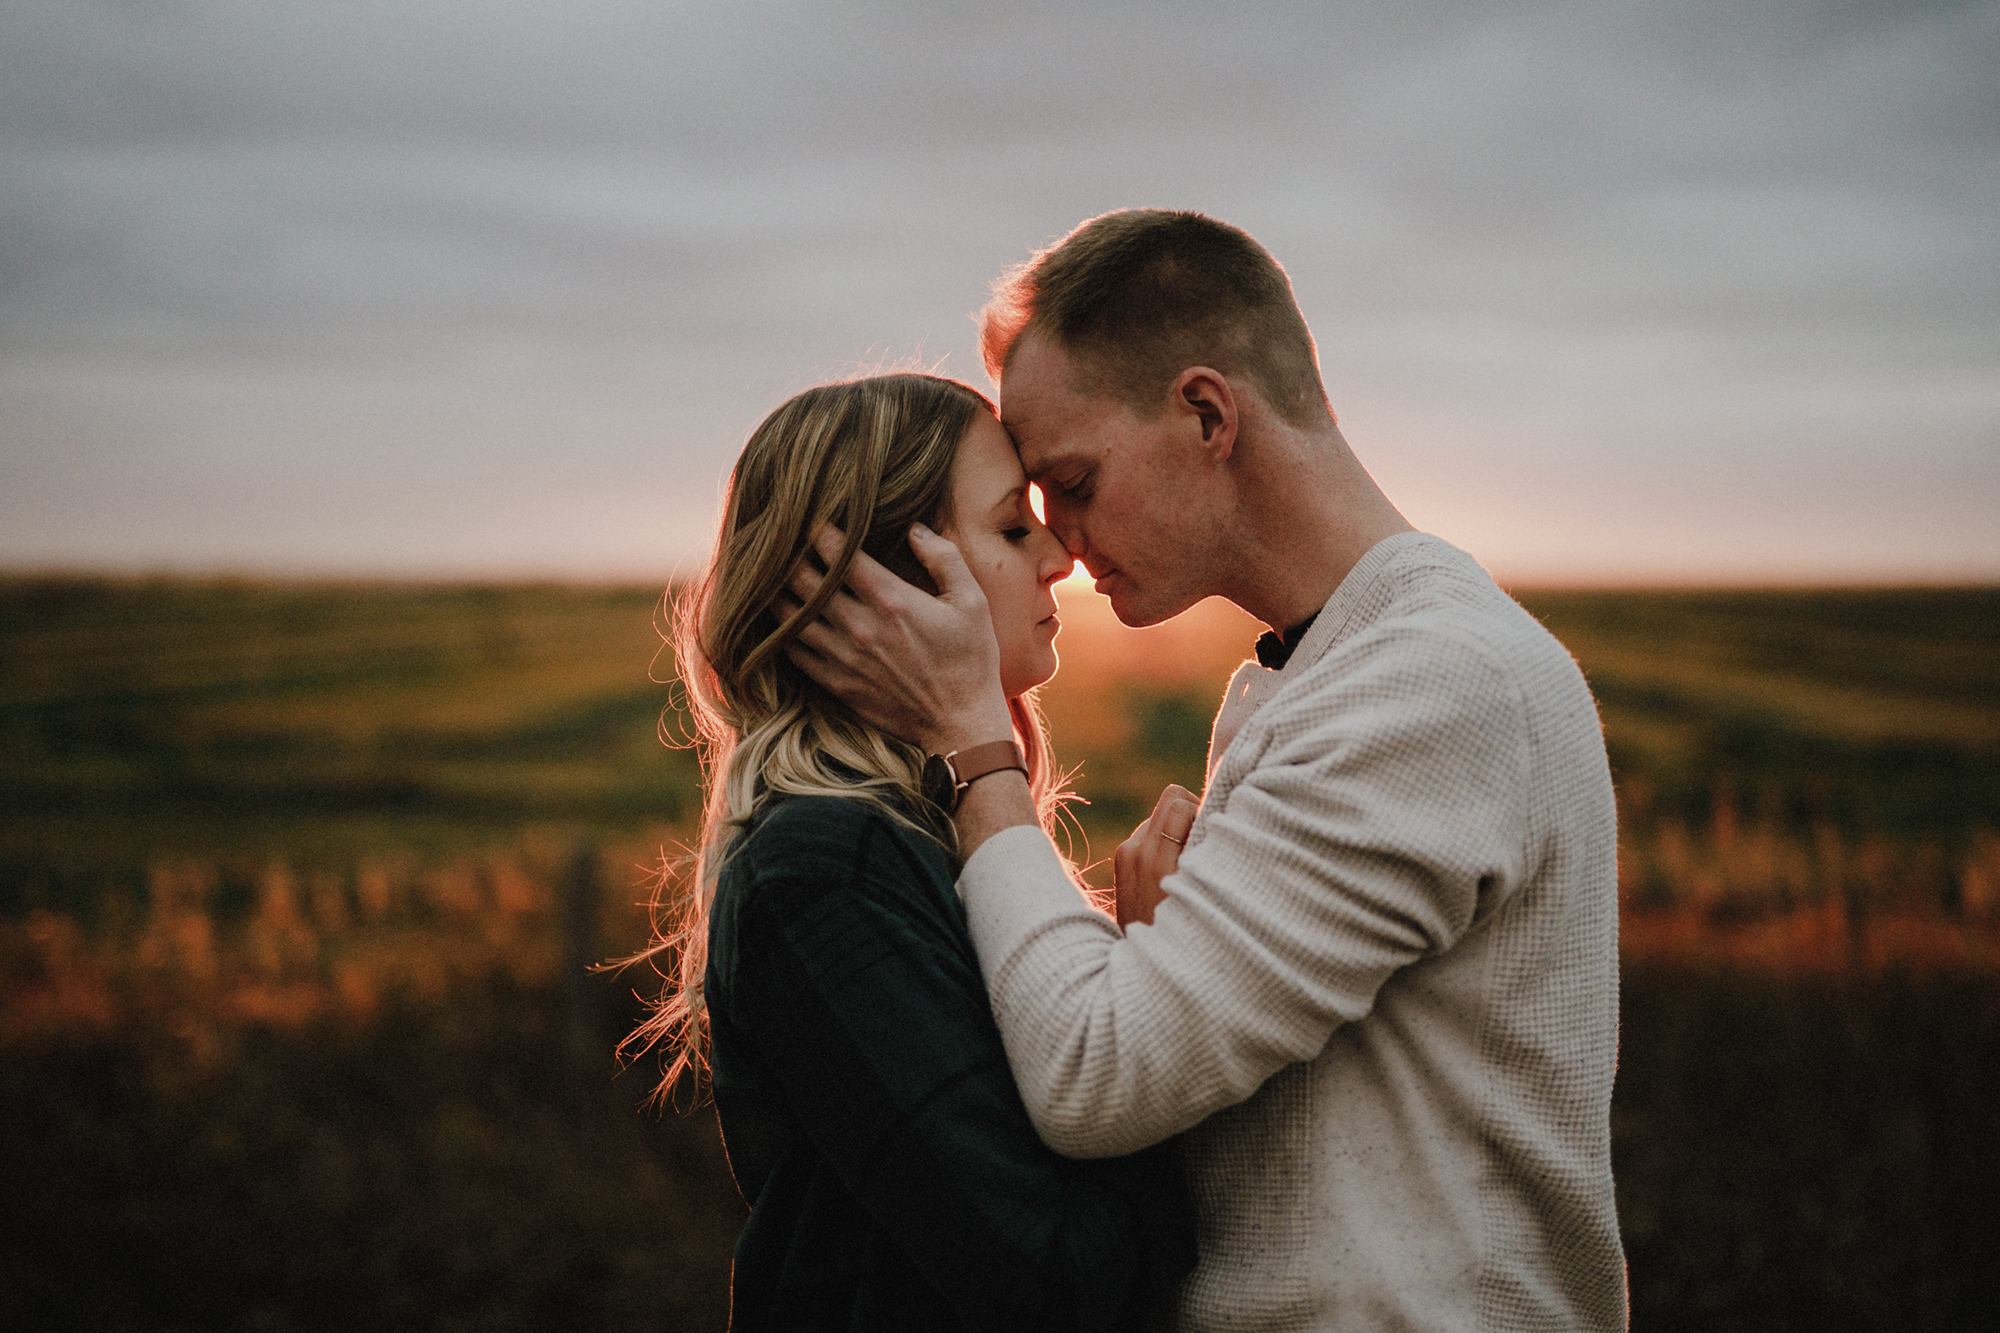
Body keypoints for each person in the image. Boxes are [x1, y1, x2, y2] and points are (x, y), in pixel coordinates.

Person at [784, 212, 1629, 1331]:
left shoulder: (1433, 686)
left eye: (1072, 482)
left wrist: (973, 743)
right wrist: (1148, 962)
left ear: (1204, 414)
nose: (1063, 545)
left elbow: (1095, 1071)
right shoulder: (1316, 675)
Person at [623, 373, 1195, 1332]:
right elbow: (1055, 1280)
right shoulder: (822, 871)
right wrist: (1157, 995)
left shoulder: (916, 833)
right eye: (1015, 529)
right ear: (889, 586)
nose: (1060, 555)